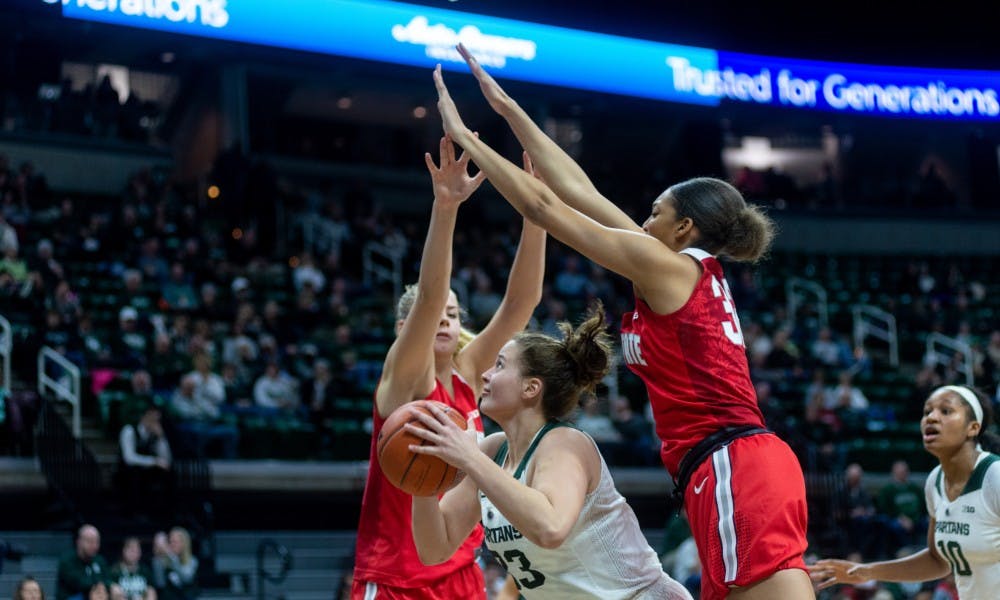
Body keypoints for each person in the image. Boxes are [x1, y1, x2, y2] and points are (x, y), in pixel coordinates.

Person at [433, 47, 811, 599]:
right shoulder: (671, 270)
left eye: (653, 213)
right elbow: (581, 193)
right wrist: (510, 108)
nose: (641, 221)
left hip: (732, 460)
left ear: (683, 228)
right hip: (722, 468)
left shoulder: (671, 267)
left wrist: (467, 138)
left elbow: (546, 208)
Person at [351, 136, 546, 599]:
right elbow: (432, 296)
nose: (444, 318)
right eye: (434, 314)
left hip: (460, 574)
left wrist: (537, 214)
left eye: (454, 316)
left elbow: (521, 303)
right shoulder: (403, 379)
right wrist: (446, 207)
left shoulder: (471, 368)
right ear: (406, 325)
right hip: (397, 575)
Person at [409, 306, 691, 599]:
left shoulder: (565, 443)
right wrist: (421, 476)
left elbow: (550, 528)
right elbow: (435, 548)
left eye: (500, 365)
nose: (486, 374)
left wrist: (469, 457)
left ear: (531, 388)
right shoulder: (492, 452)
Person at [810, 385, 1000, 600]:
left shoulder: (994, 476)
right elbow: (938, 561)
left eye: (945, 411)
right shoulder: (935, 481)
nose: (931, 418)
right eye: (928, 411)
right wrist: (867, 571)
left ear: (972, 428)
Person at [117, 404, 173, 520]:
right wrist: (154, 461)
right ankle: (134, 513)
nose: (154, 421)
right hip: (126, 471)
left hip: (146, 472)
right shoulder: (129, 430)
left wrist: (161, 437)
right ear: (143, 417)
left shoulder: (155, 435)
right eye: (151, 417)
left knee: (168, 473)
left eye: (157, 419)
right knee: (135, 474)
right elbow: (129, 458)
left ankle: (163, 512)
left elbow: (166, 459)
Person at [57, 524, 110, 600]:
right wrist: (98, 585)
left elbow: (107, 580)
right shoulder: (67, 560)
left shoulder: (99, 560)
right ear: (79, 542)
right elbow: (79, 583)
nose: (94, 545)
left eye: (97, 542)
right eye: (90, 541)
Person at [152, 528, 198, 600]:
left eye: (175, 542)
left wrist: (170, 555)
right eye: (170, 541)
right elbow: (160, 583)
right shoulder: (164, 560)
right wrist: (158, 556)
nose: (172, 544)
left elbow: (186, 578)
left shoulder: (192, 560)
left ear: (184, 543)